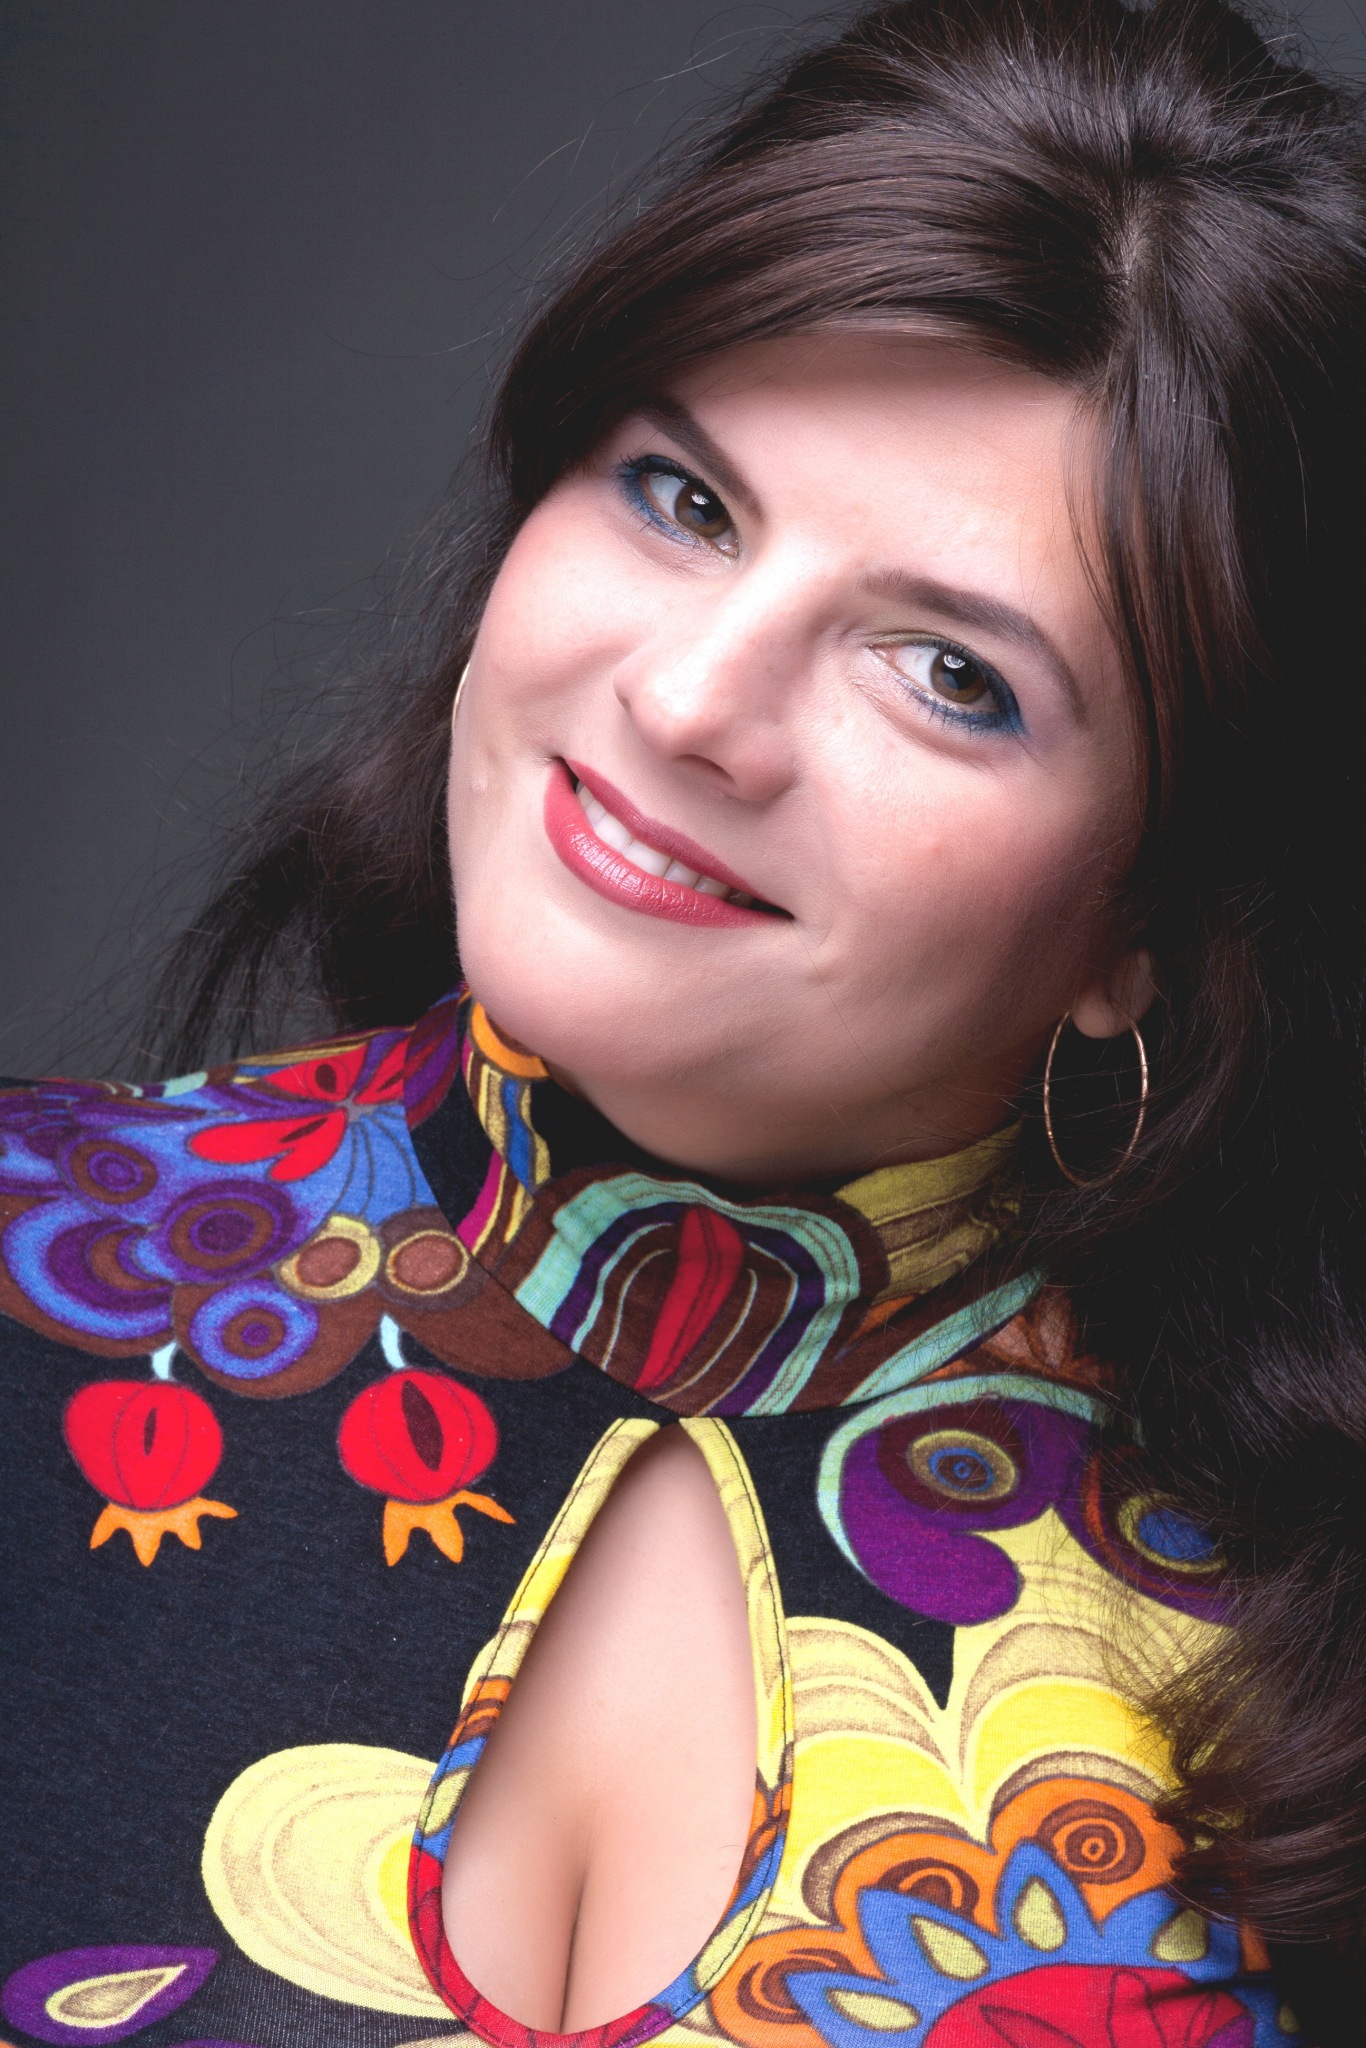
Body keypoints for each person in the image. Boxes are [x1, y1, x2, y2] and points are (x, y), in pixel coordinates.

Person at [3, 1, 1365, 2043]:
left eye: (948, 674)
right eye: (680, 498)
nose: (689, 700)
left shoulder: (1309, 1685)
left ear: (1159, 915)